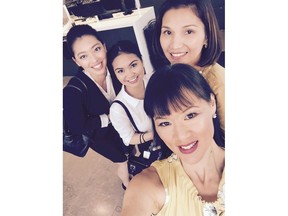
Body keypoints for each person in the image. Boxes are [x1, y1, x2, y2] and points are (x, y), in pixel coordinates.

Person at [120, 64, 225, 216]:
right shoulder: (148, 186)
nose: (181, 136)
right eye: (165, 123)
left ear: (212, 104)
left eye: (190, 115)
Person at [63, 24, 128, 187]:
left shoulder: (116, 67)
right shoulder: (73, 90)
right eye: (83, 56)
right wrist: (107, 118)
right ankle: (128, 185)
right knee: (123, 160)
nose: (94, 60)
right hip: (101, 137)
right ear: (76, 60)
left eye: (96, 49)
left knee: (132, 150)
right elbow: (77, 127)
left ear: (104, 46)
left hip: (125, 123)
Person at [152, 0, 225, 132]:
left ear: (206, 36)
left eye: (189, 32)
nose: (175, 45)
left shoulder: (220, 84)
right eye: (168, 32)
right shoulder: (169, 73)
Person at [107, 40, 169, 188]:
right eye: (120, 71)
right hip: (154, 150)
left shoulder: (156, 80)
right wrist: (154, 134)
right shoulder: (118, 108)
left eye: (133, 65)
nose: (129, 74)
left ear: (141, 61)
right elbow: (128, 138)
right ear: (114, 74)